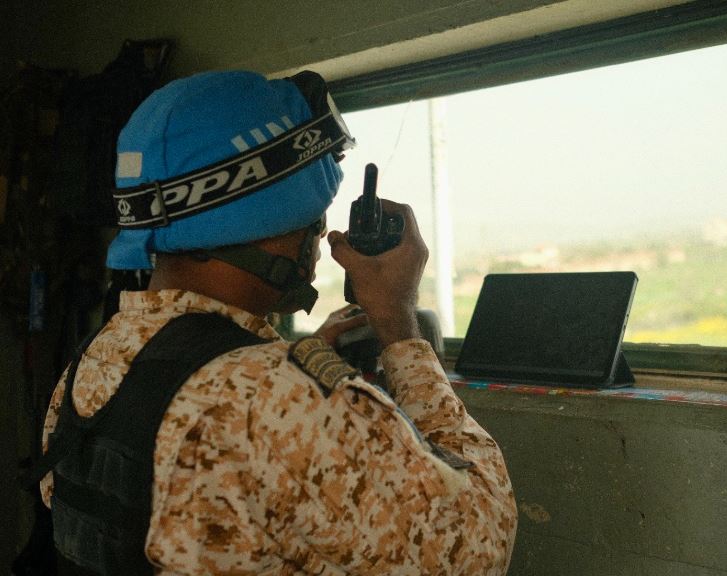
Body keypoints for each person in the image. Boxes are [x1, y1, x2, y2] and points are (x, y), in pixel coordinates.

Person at [37, 70, 517, 575]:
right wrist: (398, 326)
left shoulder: (96, 358)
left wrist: (305, 363)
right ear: (274, 217)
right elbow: (478, 544)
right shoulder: (274, 393)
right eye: (316, 213)